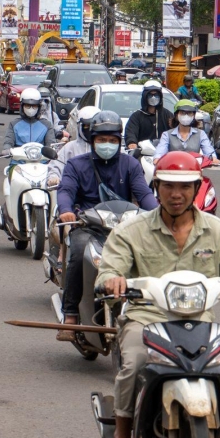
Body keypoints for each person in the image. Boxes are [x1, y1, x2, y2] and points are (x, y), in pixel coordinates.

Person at [97, 151, 220, 438]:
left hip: (199, 321)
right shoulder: (132, 229)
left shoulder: (216, 229)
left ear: (197, 188)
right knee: (134, 362)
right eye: (169, 186)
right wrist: (113, 281)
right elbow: (109, 270)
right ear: (155, 186)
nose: (176, 194)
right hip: (146, 318)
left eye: (185, 187)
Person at [56, 110, 158, 328]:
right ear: (93, 140)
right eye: (101, 140)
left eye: (112, 140)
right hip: (88, 226)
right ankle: (71, 310)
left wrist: (160, 214)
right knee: (79, 249)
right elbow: (65, 191)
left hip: (125, 227)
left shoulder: (130, 165)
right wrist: (66, 210)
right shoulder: (76, 165)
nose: (107, 144)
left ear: (118, 141)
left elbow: (144, 194)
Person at [50, 105, 100, 177]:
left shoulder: (108, 147)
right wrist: (54, 177)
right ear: (79, 126)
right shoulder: (69, 148)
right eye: (87, 126)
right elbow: (55, 166)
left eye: (94, 126)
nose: (90, 129)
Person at [2, 88, 56, 153]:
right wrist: (7, 149)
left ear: (39, 107)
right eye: (28, 105)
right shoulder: (13, 124)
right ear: (22, 106)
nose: (31, 109)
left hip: (41, 161)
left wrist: (52, 150)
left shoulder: (47, 125)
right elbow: (8, 141)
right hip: (18, 160)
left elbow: (50, 143)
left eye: (34, 106)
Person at [124, 80, 173, 149]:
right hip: (143, 153)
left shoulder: (167, 115)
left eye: (156, 95)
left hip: (164, 153)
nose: (153, 98)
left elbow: (176, 131)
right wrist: (132, 142)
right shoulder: (136, 116)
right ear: (145, 96)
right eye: (150, 95)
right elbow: (130, 132)